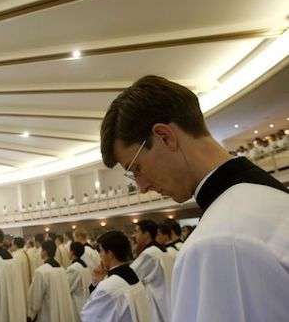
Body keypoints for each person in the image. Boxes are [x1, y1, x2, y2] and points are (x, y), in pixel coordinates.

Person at [100, 75, 289, 322]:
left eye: (136, 168)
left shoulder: (216, 243)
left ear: (165, 137)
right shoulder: (269, 195)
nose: (143, 187)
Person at [81, 231, 148, 322]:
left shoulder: (108, 286)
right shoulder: (133, 274)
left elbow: (88, 316)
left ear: (110, 253)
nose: (100, 255)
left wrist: (98, 284)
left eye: (100, 251)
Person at [130, 220, 173, 322]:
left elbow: (132, 275)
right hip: (166, 297)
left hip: (156, 300)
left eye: (137, 231)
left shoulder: (149, 253)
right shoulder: (161, 249)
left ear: (147, 234)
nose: (134, 235)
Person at [27, 240, 74, 322]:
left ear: (44, 252)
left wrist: (31, 314)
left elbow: (35, 299)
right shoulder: (62, 269)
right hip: (62, 311)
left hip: (48, 313)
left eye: (41, 250)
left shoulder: (41, 271)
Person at [66, 242, 92, 322]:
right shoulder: (85, 265)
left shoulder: (73, 268)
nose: (68, 252)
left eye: (69, 250)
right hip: (85, 301)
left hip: (76, 304)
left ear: (72, 252)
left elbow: (67, 287)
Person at [10, 236, 31, 304]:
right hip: (25, 280)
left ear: (15, 245)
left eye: (12, 244)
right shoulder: (24, 253)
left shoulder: (16, 256)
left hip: (19, 282)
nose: (11, 246)